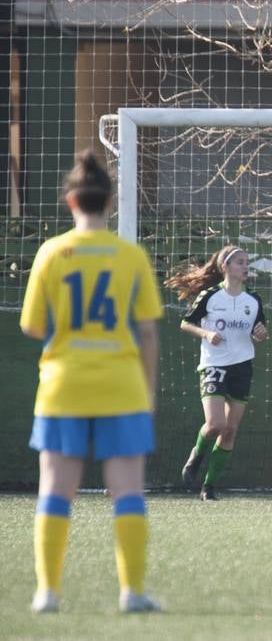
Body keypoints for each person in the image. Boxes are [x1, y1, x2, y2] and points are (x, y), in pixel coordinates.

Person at [21, 151, 164, 613]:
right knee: (127, 492)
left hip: (62, 386)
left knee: (56, 490)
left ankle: (47, 592)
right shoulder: (130, 255)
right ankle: (132, 592)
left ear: (71, 202)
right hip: (121, 387)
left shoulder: (51, 252)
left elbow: (33, 326)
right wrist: (148, 393)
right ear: (109, 203)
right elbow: (146, 332)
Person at [167, 245, 268, 501]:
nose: (245, 266)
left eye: (247, 262)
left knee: (230, 430)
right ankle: (196, 456)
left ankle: (208, 486)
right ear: (225, 266)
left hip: (242, 367)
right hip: (214, 365)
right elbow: (186, 323)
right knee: (216, 424)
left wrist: (261, 334)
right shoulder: (210, 296)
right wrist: (207, 333)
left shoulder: (253, 299)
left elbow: (260, 330)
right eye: (240, 262)